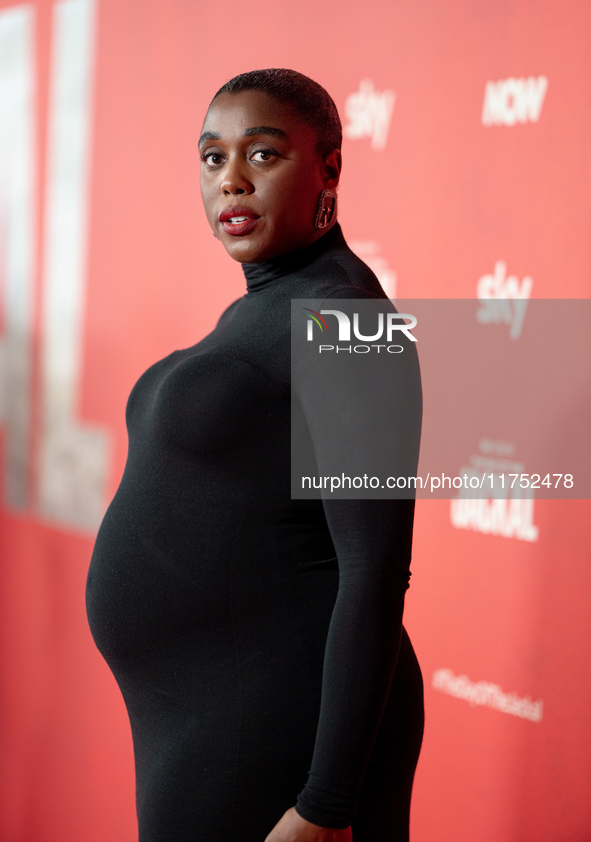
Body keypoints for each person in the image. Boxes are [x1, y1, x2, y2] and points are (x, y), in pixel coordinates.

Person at [86, 68, 424, 842]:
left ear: (328, 166)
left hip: (278, 726)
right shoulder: (268, 304)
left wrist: (326, 802)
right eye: (211, 159)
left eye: (262, 155)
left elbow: (373, 571)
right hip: (208, 715)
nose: (231, 181)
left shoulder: (346, 318)